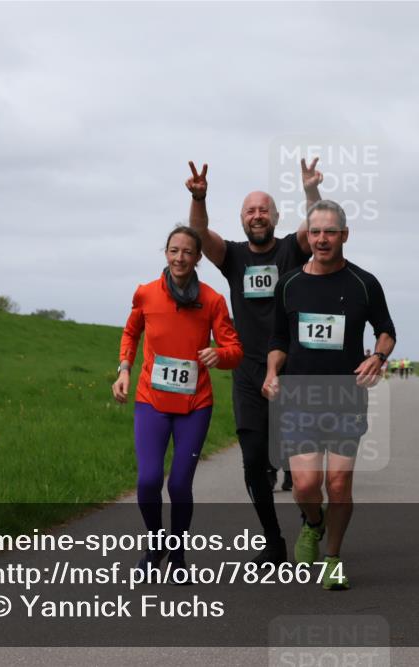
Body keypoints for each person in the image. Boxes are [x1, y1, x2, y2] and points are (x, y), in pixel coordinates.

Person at [186, 158, 321, 565]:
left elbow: (316, 226)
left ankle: (312, 524)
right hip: (248, 374)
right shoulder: (233, 257)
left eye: (264, 210)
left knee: (300, 466)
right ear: (242, 219)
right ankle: (273, 541)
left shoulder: (291, 251)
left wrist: (311, 191)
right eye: (250, 210)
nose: (257, 215)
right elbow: (196, 234)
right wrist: (198, 197)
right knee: (253, 463)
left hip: (293, 372)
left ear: (276, 217)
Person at [262, 200, 396, 590]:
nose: (322, 239)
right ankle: (313, 523)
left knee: (338, 485)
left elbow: (386, 330)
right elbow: (278, 340)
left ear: (344, 235)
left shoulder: (363, 284)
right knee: (305, 486)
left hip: (344, 398)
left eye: (330, 232)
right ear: (309, 235)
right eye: (316, 232)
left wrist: (378, 357)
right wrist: (272, 372)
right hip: (300, 399)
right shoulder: (288, 284)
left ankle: (333, 558)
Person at [112, 226, 243, 579]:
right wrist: (124, 369)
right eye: (173, 250)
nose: (179, 257)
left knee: (180, 484)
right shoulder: (146, 294)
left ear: (198, 257)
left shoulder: (213, 300)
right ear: (165, 253)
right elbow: (131, 332)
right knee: (149, 480)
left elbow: (234, 350)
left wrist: (220, 354)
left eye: (187, 252)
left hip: (195, 405)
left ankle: (178, 553)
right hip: (151, 401)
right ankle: (155, 545)